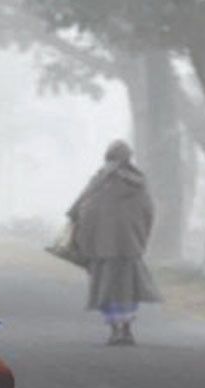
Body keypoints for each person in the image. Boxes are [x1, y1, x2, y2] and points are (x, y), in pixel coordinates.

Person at [67, 140, 162, 345]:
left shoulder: (100, 182)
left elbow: (77, 210)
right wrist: (139, 237)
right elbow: (149, 214)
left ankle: (116, 330)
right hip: (129, 246)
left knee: (107, 289)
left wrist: (83, 237)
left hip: (103, 248)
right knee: (127, 289)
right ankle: (125, 329)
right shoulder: (139, 183)